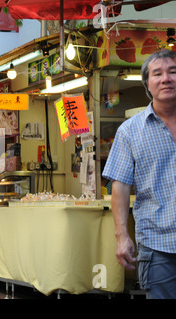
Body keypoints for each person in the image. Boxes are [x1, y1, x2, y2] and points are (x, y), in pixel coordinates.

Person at [102, 49, 176, 299]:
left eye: (173, 72)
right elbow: (119, 188)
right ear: (147, 84)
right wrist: (121, 236)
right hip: (158, 248)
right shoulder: (130, 131)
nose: (166, 78)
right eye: (158, 73)